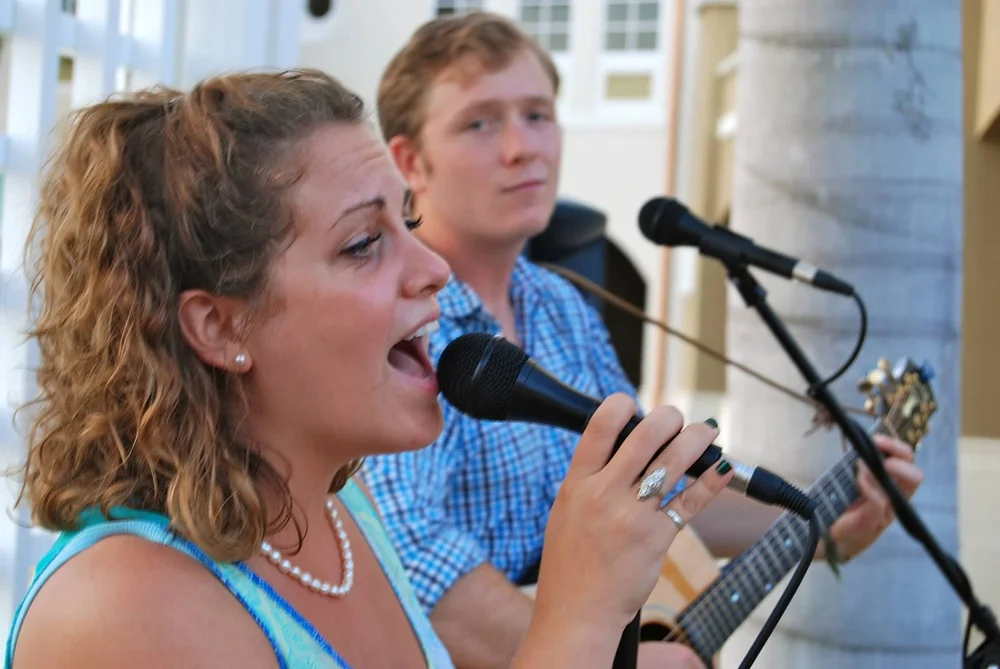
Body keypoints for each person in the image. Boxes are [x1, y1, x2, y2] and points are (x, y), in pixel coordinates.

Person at [3, 69, 735, 669]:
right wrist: (578, 619)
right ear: (220, 325)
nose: (435, 269)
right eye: (362, 244)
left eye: (408, 224)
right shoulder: (124, 609)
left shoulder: (345, 515)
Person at [363, 11, 926, 669]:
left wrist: (823, 524)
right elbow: (413, 559)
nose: (523, 146)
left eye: (539, 115)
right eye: (480, 122)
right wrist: (607, 655)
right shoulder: (397, 320)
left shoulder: (563, 305)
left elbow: (654, 488)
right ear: (410, 160)